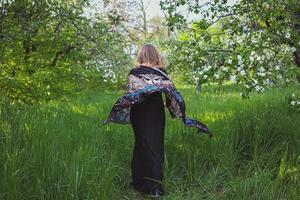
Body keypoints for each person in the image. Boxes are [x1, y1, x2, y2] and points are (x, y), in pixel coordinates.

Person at [129, 44, 168, 197]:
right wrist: (174, 109)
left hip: (138, 113)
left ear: (141, 55)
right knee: (156, 146)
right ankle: (156, 187)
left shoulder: (135, 72)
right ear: (155, 55)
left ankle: (139, 183)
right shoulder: (162, 72)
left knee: (141, 144)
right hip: (156, 113)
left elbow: (130, 94)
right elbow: (170, 93)